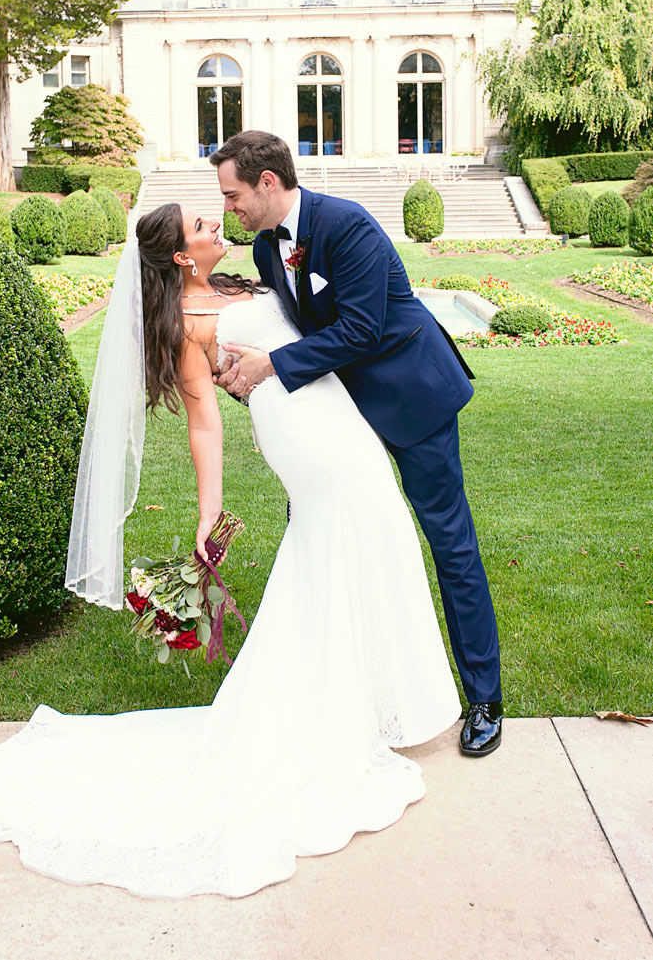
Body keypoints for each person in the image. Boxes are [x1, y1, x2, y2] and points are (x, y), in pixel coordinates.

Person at [0, 201, 461, 899]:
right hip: (302, 431)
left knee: (361, 543)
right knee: (359, 533)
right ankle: (341, 708)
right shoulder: (188, 326)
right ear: (177, 255)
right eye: (200, 225)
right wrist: (207, 510)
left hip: (333, 413)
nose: (213, 225)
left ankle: (365, 695)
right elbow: (203, 423)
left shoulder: (236, 281)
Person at [210, 131, 503, 757]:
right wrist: (243, 375)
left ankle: (483, 697)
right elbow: (293, 327)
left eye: (233, 195)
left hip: (411, 398)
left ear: (267, 183)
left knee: (449, 543)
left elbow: (364, 330)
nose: (228, 207)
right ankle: (342, 691)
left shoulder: (349, 225)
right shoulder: (266, 249)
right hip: (337, 416)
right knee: (324, 536)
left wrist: (273, 366)